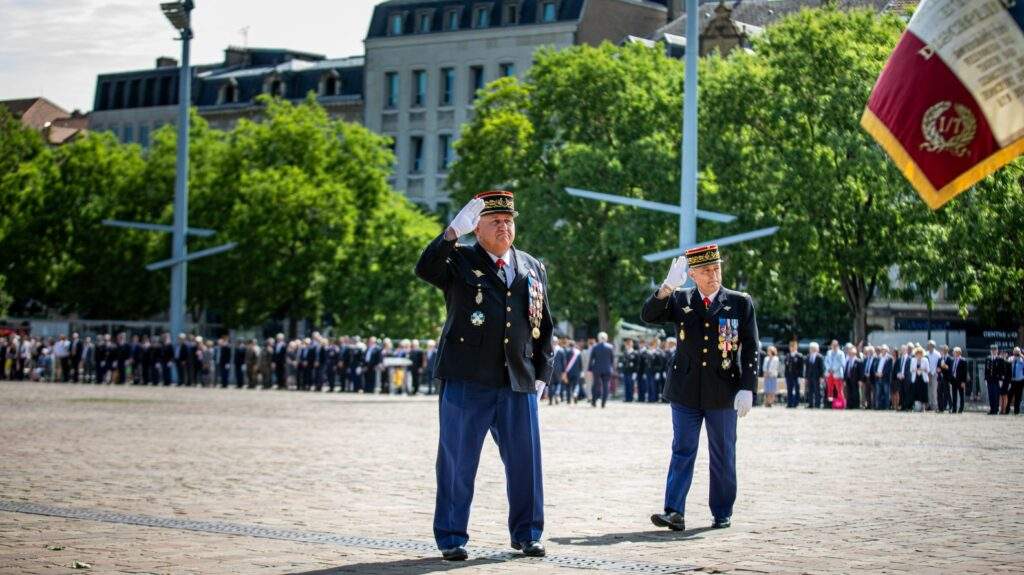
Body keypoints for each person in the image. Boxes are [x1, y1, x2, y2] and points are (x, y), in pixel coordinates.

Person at [415, 191, 553, 561]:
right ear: (476, 227)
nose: (504, 226)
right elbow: (425, 269)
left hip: (517, 380)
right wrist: (449, 235)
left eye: (509, 221)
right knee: (458, 462)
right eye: (495, 221)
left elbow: (543, 324)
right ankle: (451, 536)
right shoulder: (459, 259)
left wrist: (542, 373)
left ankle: (528, 533)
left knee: (526, 464)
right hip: (467, 379)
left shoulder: (531, 265)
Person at [643, 243, 758, 532]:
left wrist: (748, 387)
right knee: (683, 448)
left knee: (723, 452)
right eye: (706, 270)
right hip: (685, 390)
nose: (713, 275)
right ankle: (674, 511)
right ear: (692, 274)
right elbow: (649, 315)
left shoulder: (739, 302)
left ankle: (722, 510)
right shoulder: (681, 300)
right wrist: (667, 287)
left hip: (723, 390)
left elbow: (751, 348)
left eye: (716, 268)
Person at [588, 332, 615, 408]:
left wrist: (589, 369)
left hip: (597, 369)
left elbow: (591, 359)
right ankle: (603, 403)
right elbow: (612, 360)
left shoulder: (595, 347)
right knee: (606, 386)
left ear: (598, 338)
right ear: (606, 338)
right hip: (607, 369)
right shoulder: (610, 347)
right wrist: (612, 368)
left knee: (596, 386)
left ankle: (594, 401)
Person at [783, 340, 804, 408]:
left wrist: (800, 376)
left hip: (796, 376)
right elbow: (786, 366)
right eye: (790, 346)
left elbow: (801, 367)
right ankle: (789, 403)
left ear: (796, 347)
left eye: (793, 346)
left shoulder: (799, 356)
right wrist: (785, 375)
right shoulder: (788, 355)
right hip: (789, 376)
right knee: (789, 390)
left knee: (796, 390)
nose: (791, 348)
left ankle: (796, 403)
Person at [824, 340, 844, 409]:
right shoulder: (828, 352)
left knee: (839, 390)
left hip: (837, 373)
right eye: (833, 345)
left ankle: (841, 404)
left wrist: (834, 369)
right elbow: (826, 361)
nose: (834, 346)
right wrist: (829, 368)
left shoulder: (841, 353)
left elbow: (842, 363)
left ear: (838, 346)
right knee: (830, 390)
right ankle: (831, 404)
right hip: (829, 374)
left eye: (835, 345)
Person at [804, 342, 825, 409]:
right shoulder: (808, 357)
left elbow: (822, 368)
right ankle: (810, 404)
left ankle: (817, 404)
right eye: (810, 348)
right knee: (810, 390)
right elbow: (807, 368)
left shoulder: (820, 357)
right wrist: (806, 377)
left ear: (816, 349)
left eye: (813, 348)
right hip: (809, 376)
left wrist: (821, 377)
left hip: (817, 376)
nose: (811, 349)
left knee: (817, 390)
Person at [949, 347, 968, 414]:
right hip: (954, 380)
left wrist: (963, 382)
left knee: (961, 395)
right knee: (954, 395)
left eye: (955, 352)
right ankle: (954, 409)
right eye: (953, 352)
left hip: (960, 380)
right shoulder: (952, 360)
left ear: (958, 353)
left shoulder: (963, 360)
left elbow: (965, 372)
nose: (953, 353)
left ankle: (961, 409)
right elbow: (951, 370)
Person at [909, 346, 929, 412]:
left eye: (920, 353)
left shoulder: (925, 359)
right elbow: (911, 369)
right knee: (916, 393)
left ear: (922, 353)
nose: (919, 354)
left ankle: (923, 408)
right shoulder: (913, 360)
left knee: (923, 393)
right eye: (917, 353)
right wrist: (916, 369)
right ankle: (917, 407)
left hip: (923, 379)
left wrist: (923, 369)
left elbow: (928, 370)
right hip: (916, 378)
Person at [842, 343, 861, 410]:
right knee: (849, 392)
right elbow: (846, 371)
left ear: (854, 353)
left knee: (855, 392)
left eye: (851, 353)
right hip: (848, 379)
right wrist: (844, 379)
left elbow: (860, 372)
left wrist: (860, 380)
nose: (850, 354)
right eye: (849, 353)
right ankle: (849, 405)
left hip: (855, 379)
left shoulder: (858, 361)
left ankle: (856, 405)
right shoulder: (848, 361)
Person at [926, 340, 942, 411]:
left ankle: (935, 406)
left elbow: (939, 364)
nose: (929, 346)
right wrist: (928, 373)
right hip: (928, 374)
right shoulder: (926, 354)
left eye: (930, 345)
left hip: (935, 374)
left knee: (934, 390)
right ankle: (929, 405)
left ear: (933, 346)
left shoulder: (938, 354)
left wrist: (936, 372)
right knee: (928, 390)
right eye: (928, 345)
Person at [1009, 347, 1024, 415]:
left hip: (1020, 380)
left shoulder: (1022, 359)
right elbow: (1008, 362)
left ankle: (1016, 411)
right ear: (1013, 352)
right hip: (1012, 380)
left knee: (1018, 396)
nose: (1016, 353)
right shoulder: (1011, 358)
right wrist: (1014, 358)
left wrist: (1021, 356)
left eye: (1017, 352)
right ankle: (1007, 410)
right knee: (1010, 395)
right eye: (1015, 352)